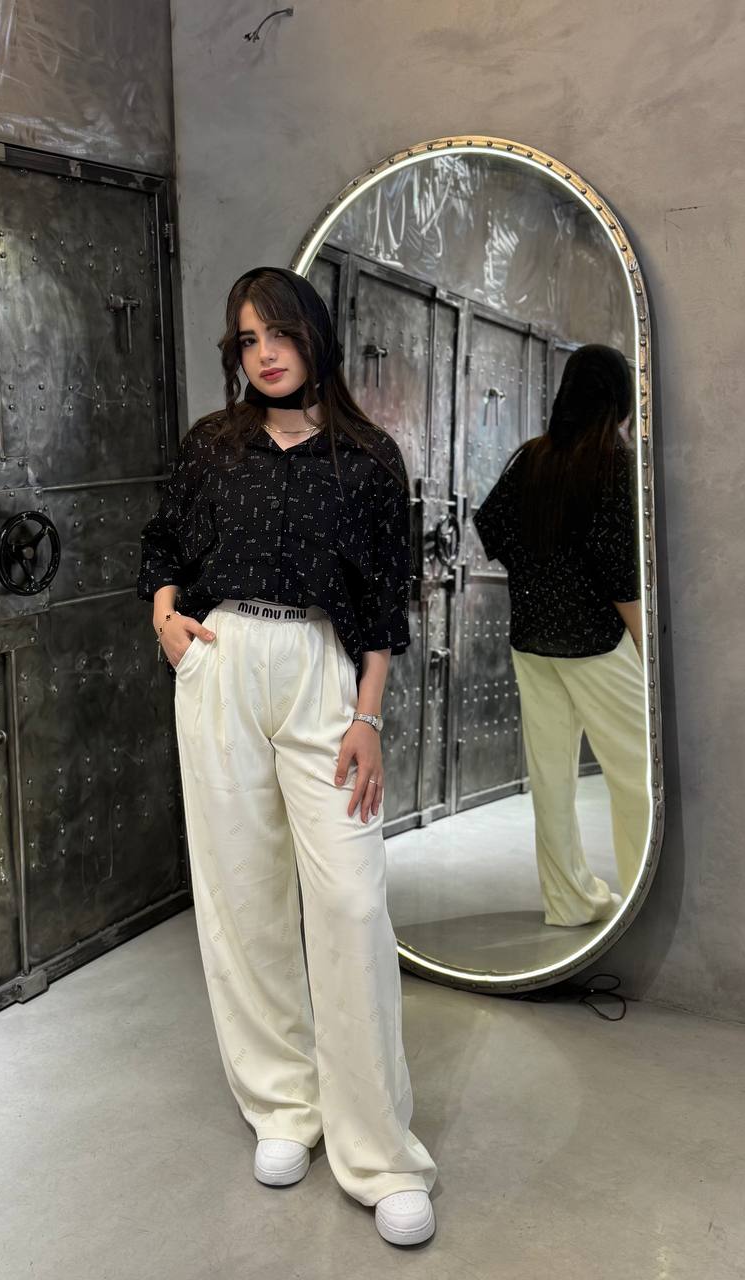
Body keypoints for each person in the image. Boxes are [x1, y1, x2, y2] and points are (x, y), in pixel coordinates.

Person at [136, 266, 438, 1246]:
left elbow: (384, 603)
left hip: (320, 671)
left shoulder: (367, 458)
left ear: (314, 337)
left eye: (279, 333)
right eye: (246, 338)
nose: (263, 352)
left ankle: (380, 1151)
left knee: (349, 902)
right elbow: (163, 543)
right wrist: (166, 620)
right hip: (220, 661)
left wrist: (367, 718)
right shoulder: (211, 446)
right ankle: (282, 1106)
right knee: (241, 896)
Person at [473, 344, 651, 928]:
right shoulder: (615, 463)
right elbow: (620, 573)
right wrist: (645, 645)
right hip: (597, 642)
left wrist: (537, 573)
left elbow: (491, 525)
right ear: (618, 399)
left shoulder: (534, 457)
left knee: (550, 779)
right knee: (635, 775)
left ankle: (569, 902)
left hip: (533, 640)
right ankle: (642, 900)